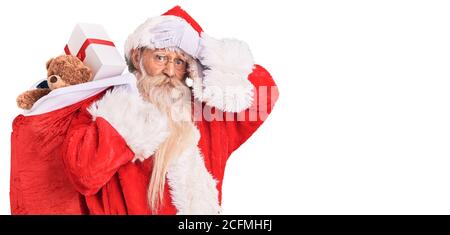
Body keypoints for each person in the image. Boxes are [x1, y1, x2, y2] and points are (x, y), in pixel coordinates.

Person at [10, 6, 278, 215]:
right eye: (160, 57)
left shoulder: (205, 116)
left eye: (181, 61)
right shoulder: (108, 110)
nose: (171, 72)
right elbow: (84, 174)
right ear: (138, 57)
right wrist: (128, 122)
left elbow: (266, 92)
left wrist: (204, 46)